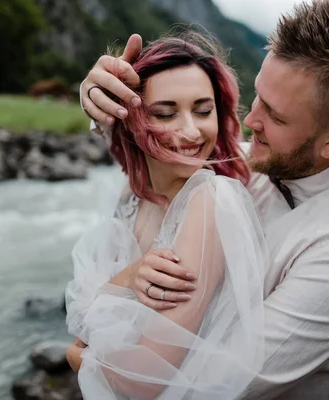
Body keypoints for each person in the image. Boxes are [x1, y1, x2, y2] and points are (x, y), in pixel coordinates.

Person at [78, 0, 329, 398]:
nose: (250, 122)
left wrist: (79, 356)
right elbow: (161, 152)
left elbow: (207, 386)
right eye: (258, 97)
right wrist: (98, 99)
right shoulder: (258, 153)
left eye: (276, 115)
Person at [64, 33, 269, 399]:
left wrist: (77, 358)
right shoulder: (133, 194)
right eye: (165, 113)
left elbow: (143, 381)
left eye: (204, 111)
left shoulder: (210, 201)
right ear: (131, 119)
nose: (190, 131)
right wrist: (131, 275)